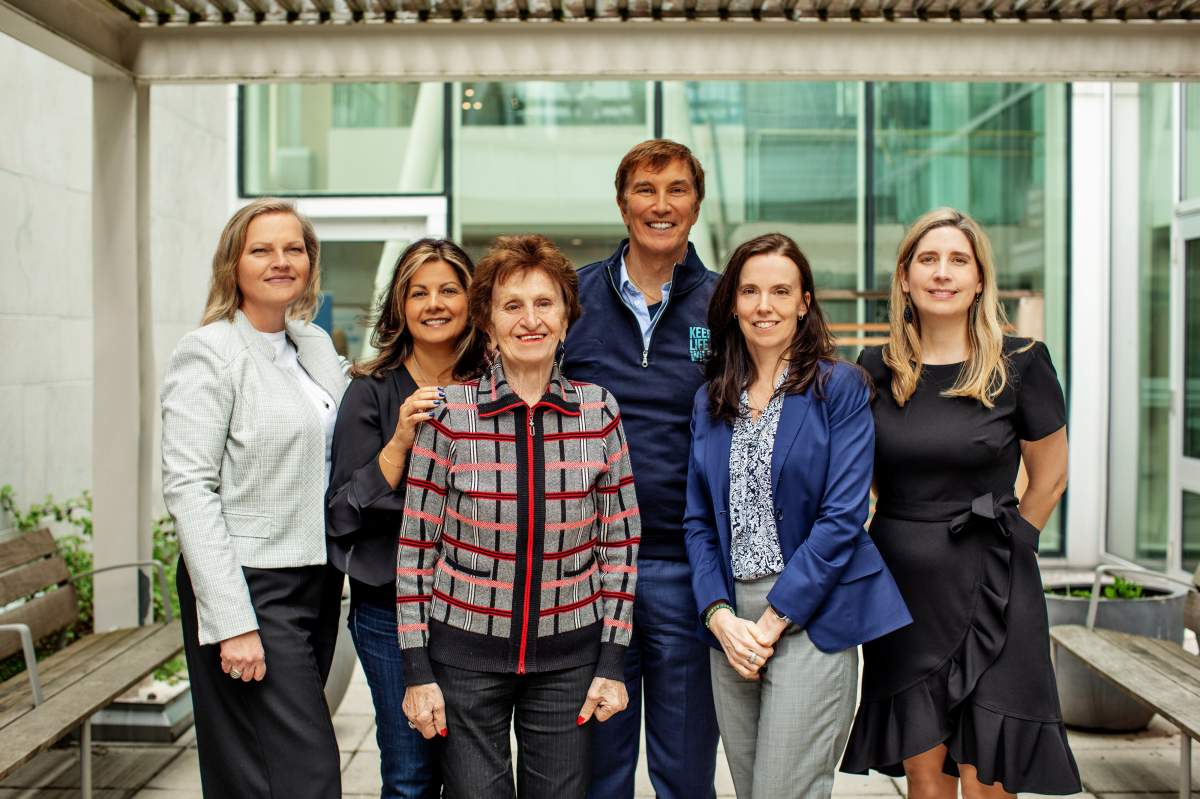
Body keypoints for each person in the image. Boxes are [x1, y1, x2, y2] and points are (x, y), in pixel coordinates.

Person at [840, 208, 1081, 797]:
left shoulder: (1021, 363)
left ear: (979, 279)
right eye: (927, 259)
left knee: (988, 778)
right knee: (927, 778)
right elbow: (862, 475)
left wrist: (1014, 546)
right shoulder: (874, 370)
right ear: (904, 277)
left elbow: (1049, 477)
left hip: (997, 586)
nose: (942, 273)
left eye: (958, 260)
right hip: (904, 593)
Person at [396, 234, 640, 799]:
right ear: (487, 321)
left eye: (544, 303)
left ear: (565, 317)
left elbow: (621, 545)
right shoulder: (449, 415)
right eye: (512, 305)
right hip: (463, 662)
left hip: (569, 664)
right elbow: (415, 550)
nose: (529, 320)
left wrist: (611, 660)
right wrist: (417, 671)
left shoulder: (597, 410)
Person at [683, 233, 911, 799]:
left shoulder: (840, 388)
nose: (765, 306)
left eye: (781, 291)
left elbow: (843, 516)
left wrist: (771, 621)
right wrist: (718, 616)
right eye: (751, 291)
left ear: (804, 301)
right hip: (732, 622)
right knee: (751, 787)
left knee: (785, 790)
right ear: (732, 302)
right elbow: (698, 523)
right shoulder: (712, 398)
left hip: (812, 615)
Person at [161, 198, 347, 798]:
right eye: (262, 249)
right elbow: (189, 488)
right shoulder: (209, 352)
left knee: (256, 769)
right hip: (249, 582)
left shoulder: (313, 344)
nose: (281, 261)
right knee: (305, 772)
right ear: (233, 264)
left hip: (315, 581)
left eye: (294, 249)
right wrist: (233, 622)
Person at [563, 139, 721, 799]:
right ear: (623, 202)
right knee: (596, 770)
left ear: (696, 203)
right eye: (646, 190)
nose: (661, 205)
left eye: (677, 189)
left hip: (688, 570)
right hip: (589, 567)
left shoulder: (725, 304)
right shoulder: (571, 298)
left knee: (685, 772)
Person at [326, 239, 485, 799]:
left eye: (448, 290)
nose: (434, 303)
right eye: (418, 292)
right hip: (388, 611)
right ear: (399, 305)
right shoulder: (369, 391)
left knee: (473, 773)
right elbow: (343, 513)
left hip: (477, 612)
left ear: (472, 301)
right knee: (411, 773)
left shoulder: (497, 386)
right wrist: (399, 441)